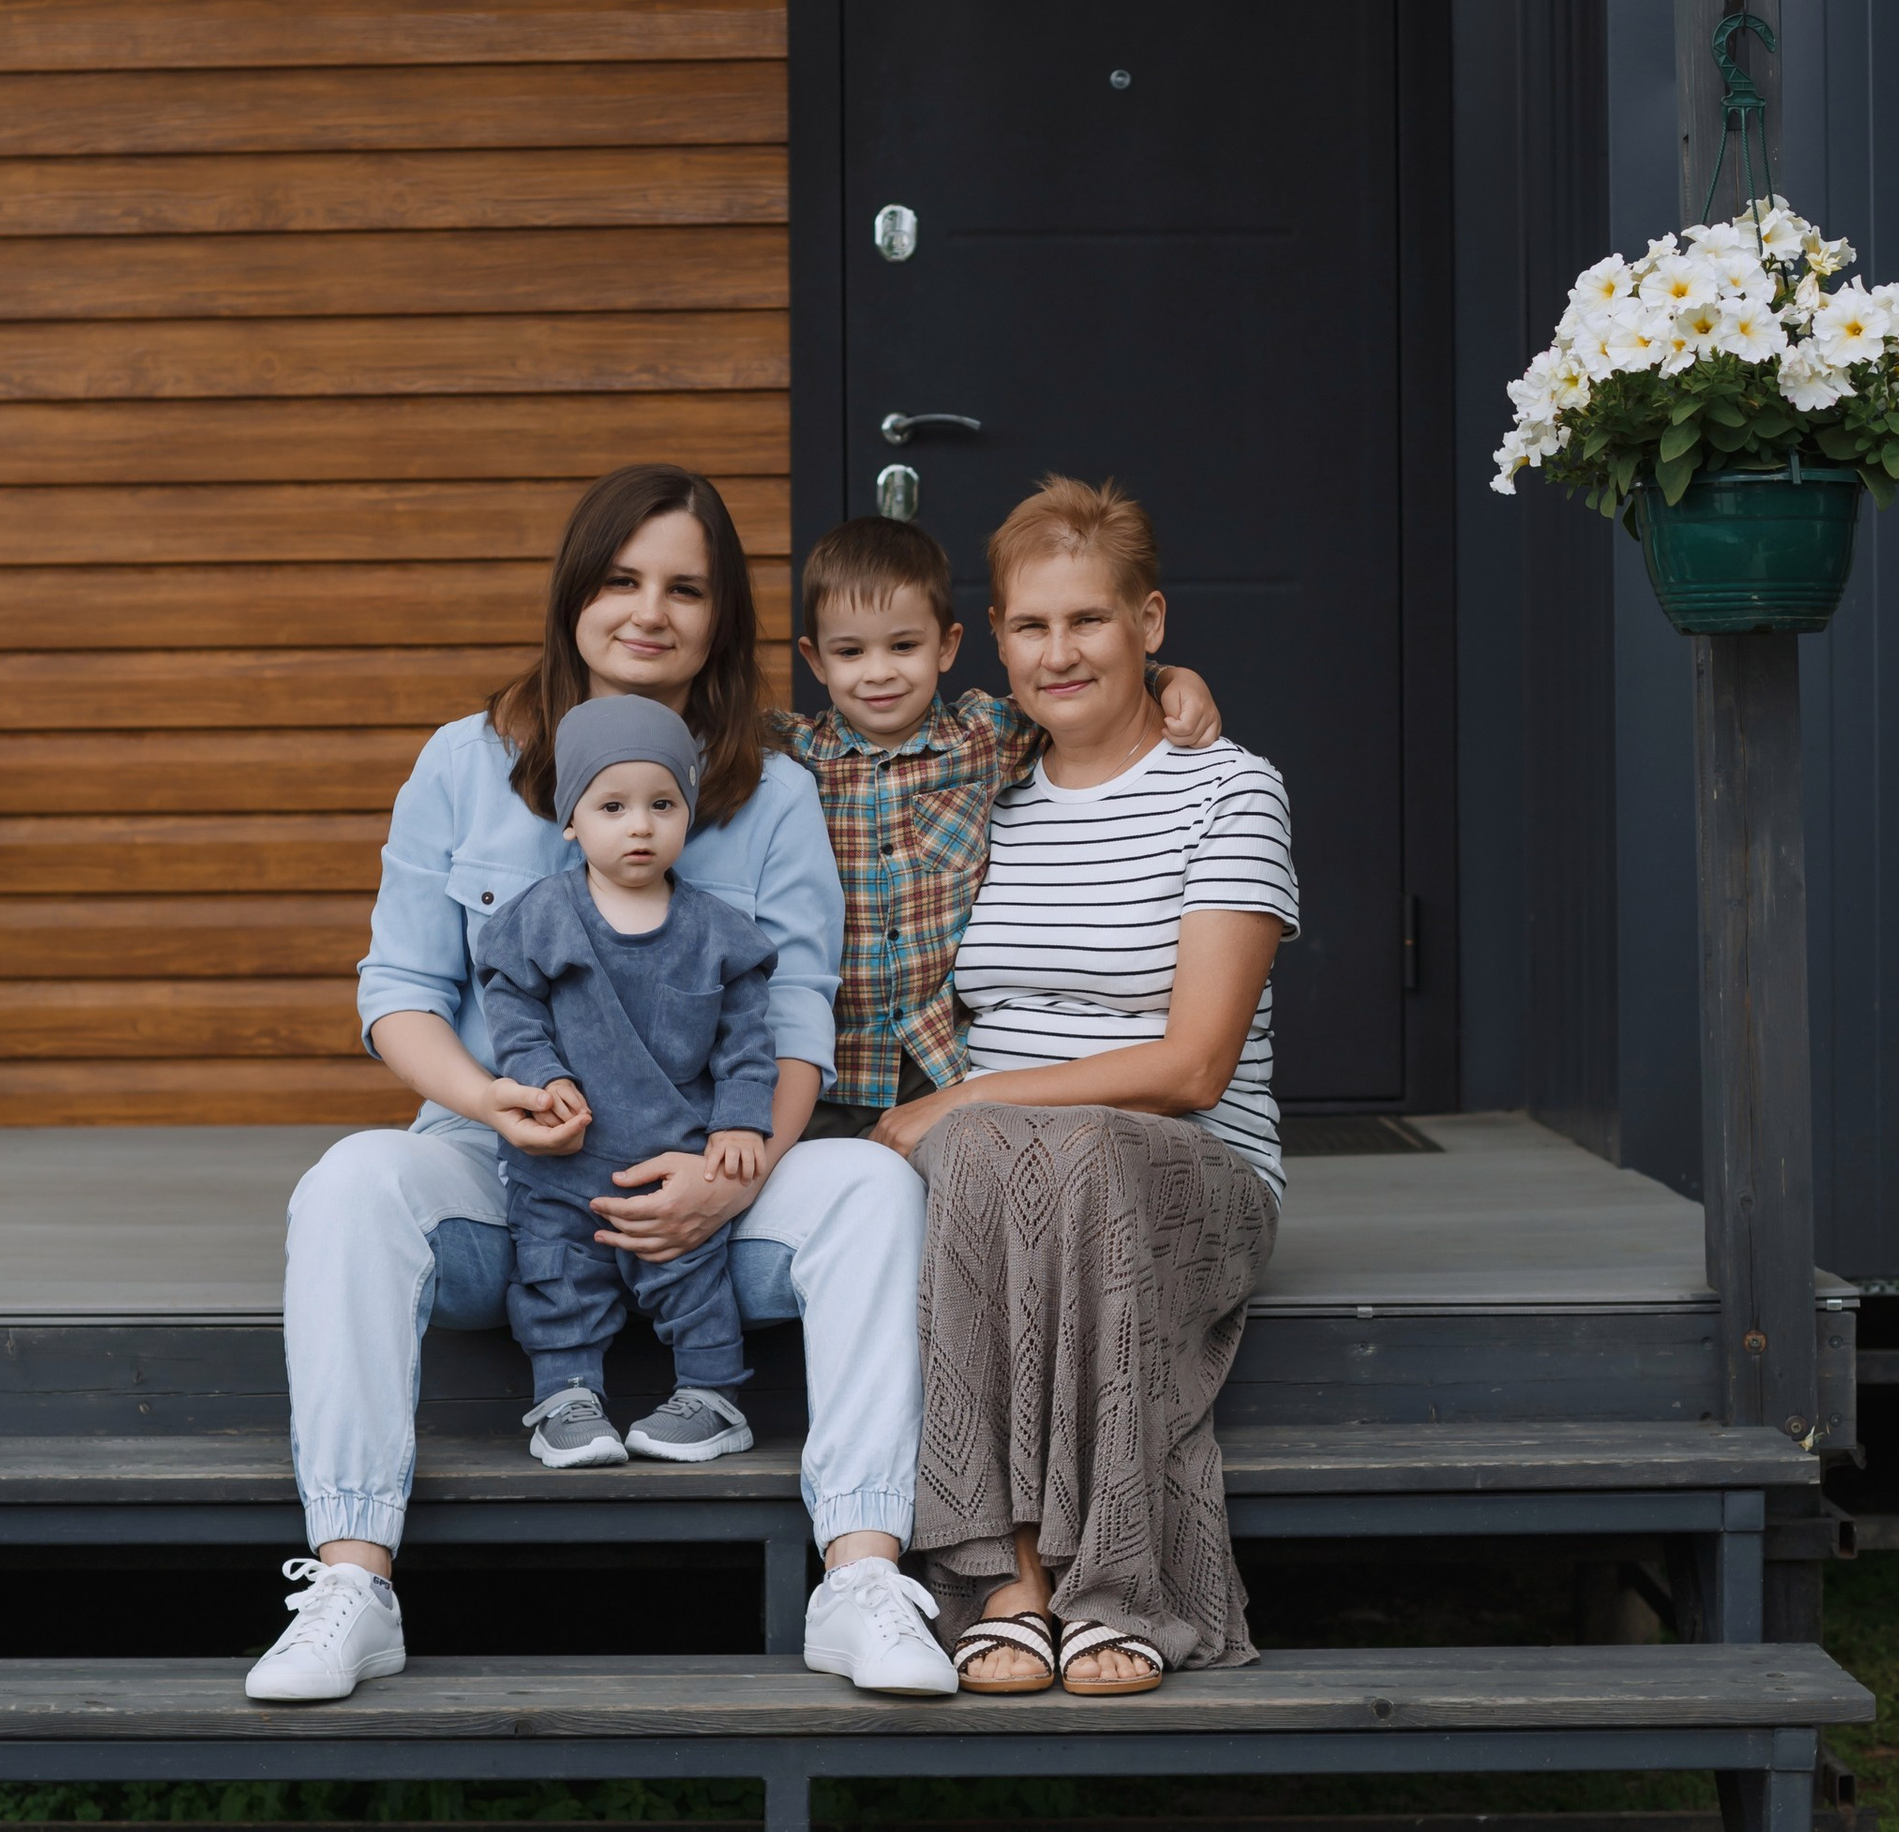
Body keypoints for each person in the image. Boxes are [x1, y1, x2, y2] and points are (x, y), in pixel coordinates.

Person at [250, 466, 953, 1707]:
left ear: (722, 618)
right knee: (350, 1182)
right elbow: (398, 989)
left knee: (869, 1186)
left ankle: (860, 1576)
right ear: (574, 592)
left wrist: (735, 1178)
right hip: (507, 1184)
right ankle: (353, 1582)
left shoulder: (774, 793)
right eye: (622, 580)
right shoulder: (465, 762)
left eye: (686, 589)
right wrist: (488, 1100)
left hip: (708, 1196)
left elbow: (798, 1018)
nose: (650, 612)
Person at [870, 476, 1298, 1698]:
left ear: (1148, 623)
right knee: (997, 1160)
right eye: (1030, 626)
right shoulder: (979, 791)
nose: (1057, 653)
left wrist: (967, 1100)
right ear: (996, 643)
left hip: (1186, 1168)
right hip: (999, 1179)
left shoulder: (1230, 788)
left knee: (1057, 1151)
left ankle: (1118, 1584)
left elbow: (1193, 1066)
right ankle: (1007, 1581)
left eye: (1088, 621)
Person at [776, 515, 1221, 1130]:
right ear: (815, 659)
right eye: (850, 652)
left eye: (903, 646)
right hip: (826, 1062)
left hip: (939, 1062)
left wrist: (1169, 677)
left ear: (947, 646)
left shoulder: (985, 737)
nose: (878, 672)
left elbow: (1083, 685)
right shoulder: (792, 755)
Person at [482, 696, 778, 1458]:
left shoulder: (718, 933)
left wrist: (740, 1120)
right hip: (562, 1163)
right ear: (571, 820)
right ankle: (566, 1400)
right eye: (612, 806)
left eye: (662, 804)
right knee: (557, 1278)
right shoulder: (543, 916)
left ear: (688, 814)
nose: (639, 826)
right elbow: (512, 1008)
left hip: (671, 1160)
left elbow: (746, 1042)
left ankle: (713, 1398)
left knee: (694, 1275)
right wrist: (542, 1076)